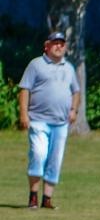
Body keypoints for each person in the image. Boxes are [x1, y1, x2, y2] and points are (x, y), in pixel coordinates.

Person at [19, 31, 79, 210]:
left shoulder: (68, 68)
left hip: (61, 123)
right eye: (55, 43)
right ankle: (33, 197)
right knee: (38, 154)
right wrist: (24, 114)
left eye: (62, 43)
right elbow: (24, 89)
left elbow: (75, 91)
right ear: (47, 46)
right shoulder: (36, 65)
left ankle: (47, 199)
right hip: (38, 120)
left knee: (55, 159)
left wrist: (74, 110)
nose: (59, 46)